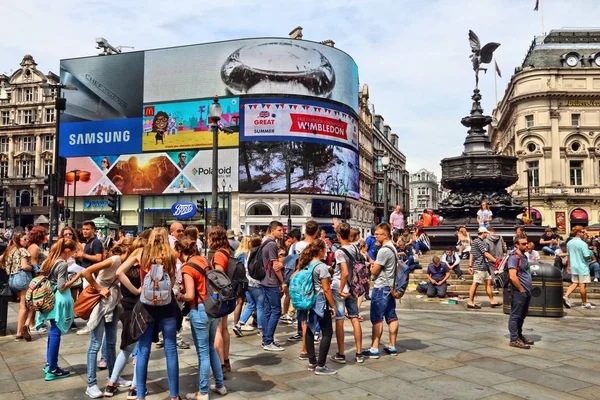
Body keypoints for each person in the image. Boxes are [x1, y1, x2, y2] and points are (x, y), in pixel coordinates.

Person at [116, 228, 180, 400]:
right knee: (171, 350)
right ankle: (174, 395)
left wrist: (137, 290)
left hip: (145, 306)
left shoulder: (141, 254)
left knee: (143, 351)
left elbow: (119, 272)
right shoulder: (171, 256)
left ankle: (140, 395)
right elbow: (173, 280)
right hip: (167, 306)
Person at [177, 237, 227, 400]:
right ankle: (220, 385)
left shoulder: (187, 267)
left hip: (200, 311)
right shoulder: (203, 260)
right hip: (213, 309)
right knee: (211, 347)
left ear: (179, 252)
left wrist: (179, 296)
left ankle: (203, 392)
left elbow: (190, 295)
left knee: (203, 352)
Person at [81, 242, 131, 399]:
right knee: (95, 344)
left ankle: (113, 377)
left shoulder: (123, 261)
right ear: (129, 249)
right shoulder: (115, 259)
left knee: (111, 342)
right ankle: (91, 384)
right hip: (101, 302)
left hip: (112, 301)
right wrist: (99, 288)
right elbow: (87, 272)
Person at [104, 237, 145, 398]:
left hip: (125, 308)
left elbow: (118, 275)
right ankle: (134, 387)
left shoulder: (124, 266)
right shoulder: (143, 269)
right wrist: (137, 290)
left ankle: (111, 383)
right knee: (140, 350)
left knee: (127, 348)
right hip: (140, 309)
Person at [37, 239, 81, 380]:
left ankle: (50, 363)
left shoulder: (49, 260)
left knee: (52, 332)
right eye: (74, 252)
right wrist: (76, 277)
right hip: (57, 299)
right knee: (56, 332)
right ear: (67, 251)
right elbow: (62, 286)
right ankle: (53, 369)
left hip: (48, 299)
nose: (74, 255)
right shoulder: (61, 263)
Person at [296, 239, 337, 375]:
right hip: (320, 302)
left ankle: (312, 362)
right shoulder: (321, 267)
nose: (326, 252)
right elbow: (326, 289)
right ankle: (321, 365)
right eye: (325, 249)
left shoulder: (305, 264)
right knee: (327, 332)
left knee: (309, 329)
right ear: (320, 251)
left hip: (307, 300)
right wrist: (333, 306)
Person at [363, 223, 399, 358]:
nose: (374, 236)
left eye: (377, 234)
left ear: (385, 234)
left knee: (377, 318)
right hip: (390, 286)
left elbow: (374, 271)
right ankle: (392, 346)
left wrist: (371, 265)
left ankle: (374, 348)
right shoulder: (393, 247)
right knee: (391, 316)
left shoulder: (384, 250)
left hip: (381, 287)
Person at [330, 223, 363, 365]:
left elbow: (345, 272)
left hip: (340, 286)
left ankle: (341, 353)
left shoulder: (339, 252)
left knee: (339, 319)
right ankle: (359, 353)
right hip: (354, 286)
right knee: (355, 318)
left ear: (338, 236)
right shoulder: (355, 247)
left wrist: (341, 289)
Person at [209, 227, 233, 376]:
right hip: (228, 295)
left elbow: (219, 277)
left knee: (218, 329)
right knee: (224, 328)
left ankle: (220, 365)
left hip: (220, 295)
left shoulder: (218, 255)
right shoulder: (228, 251)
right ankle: (226, 361)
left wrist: (215, 296)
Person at [0, 233, 33, 340]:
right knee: (26, 305)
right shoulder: (22, 250)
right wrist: (32, 267)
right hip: (22, 278)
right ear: (19, 240)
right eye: (25, 238)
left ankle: (24, 327)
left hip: (12, 279)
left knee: (24, 304)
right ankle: (20, 331)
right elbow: (24, 266)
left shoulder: (9, 250)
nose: (27, 240)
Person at [260, 221, 286, 352]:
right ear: (272, 230)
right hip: (271, 282)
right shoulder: (271, 244)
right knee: (276, 311)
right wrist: (282, 281)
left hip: (265, 281)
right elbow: (276, 266)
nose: (282, 233)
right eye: (280, 230)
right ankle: (268, 340)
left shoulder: (265, 242)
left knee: (267, 310)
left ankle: (266, 338)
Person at [507, 237, 534, 349]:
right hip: (518, 291)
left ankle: (518, 335)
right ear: (517, 245)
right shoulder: (514, 257)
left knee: (522, 315)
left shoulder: (524, 256)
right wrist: (521, 289)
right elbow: (512, 276)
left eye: (527, 243)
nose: (526, 245)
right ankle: (514, 339)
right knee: (515, 315)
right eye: (523, 244)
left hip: (526, 291)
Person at [236, 236, 264, 335]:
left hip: (247, 282)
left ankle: (239, 324)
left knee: (250, 304)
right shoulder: (257, 253)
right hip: (256, 283)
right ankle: (261, 328)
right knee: (260, 306)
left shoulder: (246, 253)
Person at [563, 226, 596, 310]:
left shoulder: (569, 243)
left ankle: (566, 296)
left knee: (575, 283)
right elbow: (586, 256)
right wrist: (589, 258)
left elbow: (568, 255)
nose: (584, 233)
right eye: (582, 232)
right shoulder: (583, 244)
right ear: (578, 232)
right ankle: (584, 303)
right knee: (582, 285)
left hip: (574, 266)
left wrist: (569, 266)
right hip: (582, 267)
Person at [467, 227, 500, 309]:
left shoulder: (478, 241)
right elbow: (486, 254)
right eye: (486, 233)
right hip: (479, 266)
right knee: (475, 283)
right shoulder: (478, 242)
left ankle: (493, 301)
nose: (487, 234)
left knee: (488, 282)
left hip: (484, 266)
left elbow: (471, 253)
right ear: (483, 233)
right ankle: (470, 302)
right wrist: (496, 261)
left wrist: (470, 265)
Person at [27, 226, 49, 333]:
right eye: (45, 234)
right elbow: (34, 263)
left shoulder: (34, 246)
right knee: (34, 301)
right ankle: (32, 325)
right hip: (35, 277)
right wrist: (39, 277)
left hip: (36, 277)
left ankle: (34, 323)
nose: (46, 236)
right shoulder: (35, 247)